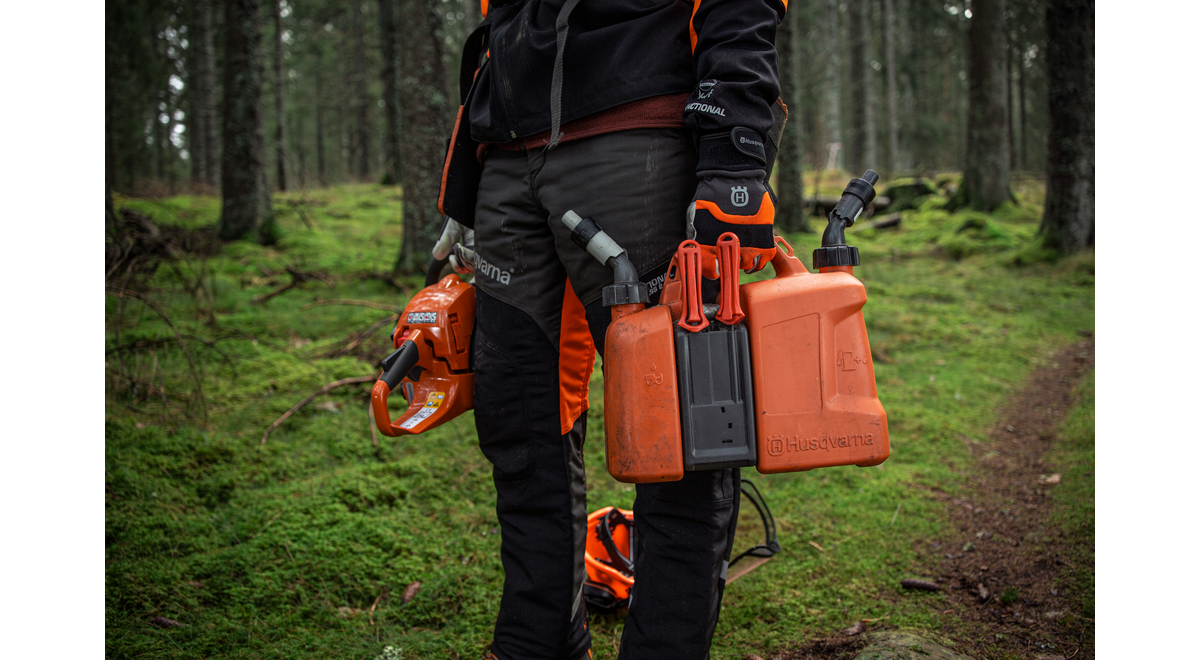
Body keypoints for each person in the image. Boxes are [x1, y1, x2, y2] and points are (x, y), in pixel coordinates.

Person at [435, 1, 789, 658]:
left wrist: (734, 160)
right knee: (518, 419)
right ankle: (536, 643)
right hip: (507, 158)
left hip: (637, 138)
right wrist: (466, 175)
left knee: (681, 437)